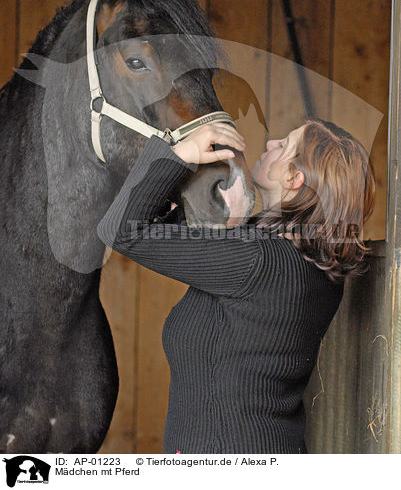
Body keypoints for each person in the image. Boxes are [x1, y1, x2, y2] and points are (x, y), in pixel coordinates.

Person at [96, 118, 375, 454]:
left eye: (284, 145)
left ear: (294, 178)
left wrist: (181, 153)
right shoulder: (315, 264)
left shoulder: (257, 260)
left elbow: (121, 231)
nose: (271, 144)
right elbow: (160, 230)